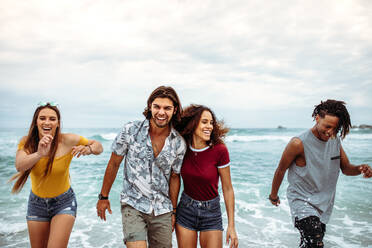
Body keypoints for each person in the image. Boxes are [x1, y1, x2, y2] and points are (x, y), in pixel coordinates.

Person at [269, 99, 372, 247]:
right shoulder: (298, 143)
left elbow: (346, 168)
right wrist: (273, 196)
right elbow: (280, 170)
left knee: (310, 244)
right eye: (327, 126)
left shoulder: (334, 140)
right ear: (317, 118)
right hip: (302, 202)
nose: (330, 132)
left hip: (323, 206)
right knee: (315, 241)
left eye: (335, 129)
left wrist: (360, 168)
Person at [96, 86, 186, 247]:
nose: (161, 112)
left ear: (174, 110)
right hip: (133, 204)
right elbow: (114, 163)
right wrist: (103, 197)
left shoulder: (178, 143)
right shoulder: (130, 130)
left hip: (162, 209)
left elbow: (174, 177)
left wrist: (173, 211)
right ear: (150, 106)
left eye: (167, 108)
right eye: (157, 106)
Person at [10, 102, 103, 248]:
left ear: (58, 123)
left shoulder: (68, 140)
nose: (47, 122)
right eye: (42, 118)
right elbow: (19, 165)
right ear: (36, 122)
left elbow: (99, 146)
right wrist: (39, 154)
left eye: (52, 119)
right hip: (37, 204)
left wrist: (89, 149)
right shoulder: (27, 142)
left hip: (64, 202)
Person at [175, 104, 238, 248]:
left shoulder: (219, 150)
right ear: (193, 124)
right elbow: (174, 179)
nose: (209, 126)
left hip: (212, 213)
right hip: (185, 210)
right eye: (204, 122)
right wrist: (172, 212)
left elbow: (228, 189)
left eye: (211, 123)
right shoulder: (181, 147)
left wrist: (231, 226)